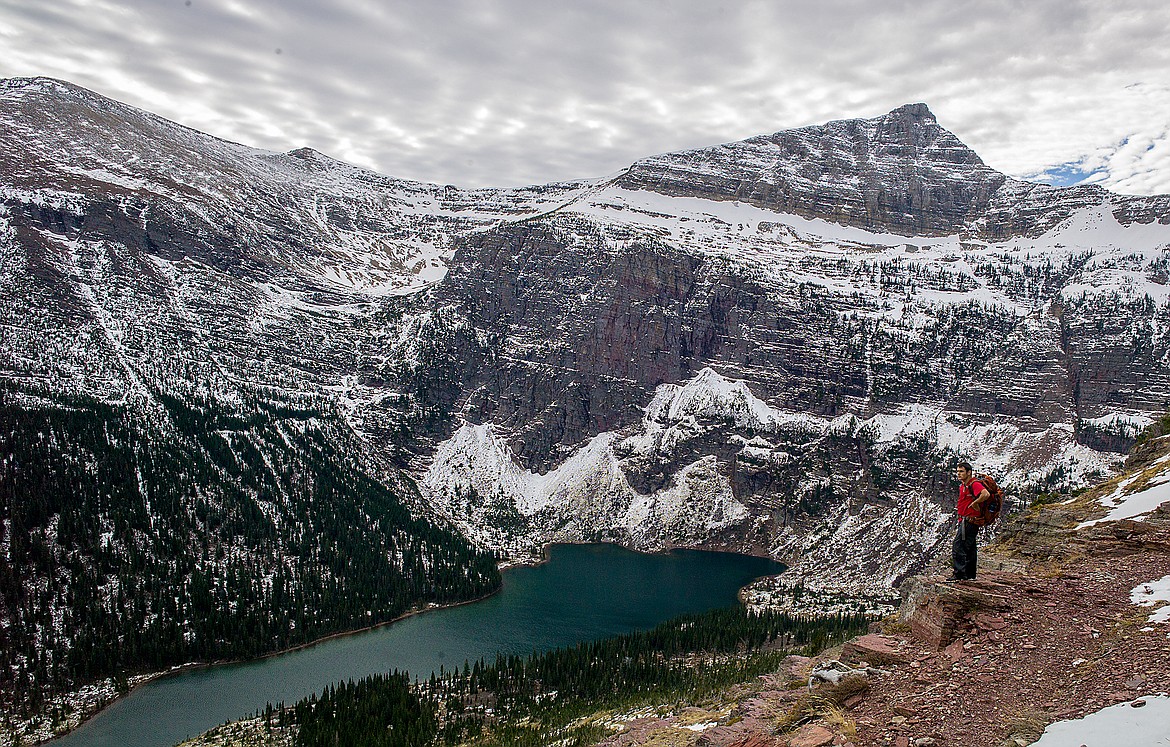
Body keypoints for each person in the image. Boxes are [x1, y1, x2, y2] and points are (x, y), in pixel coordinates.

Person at [951, 462, 989, 581]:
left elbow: (985, 494)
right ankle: (970, 574)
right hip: (966, 519)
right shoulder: (963, 485)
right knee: (970, 547)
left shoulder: (974, 484)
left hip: (969, 520)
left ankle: (960, 574)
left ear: (969, 472)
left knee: (958, 546)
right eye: (957, 472)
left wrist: (975, 503)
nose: (959, 474)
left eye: (961, 471)